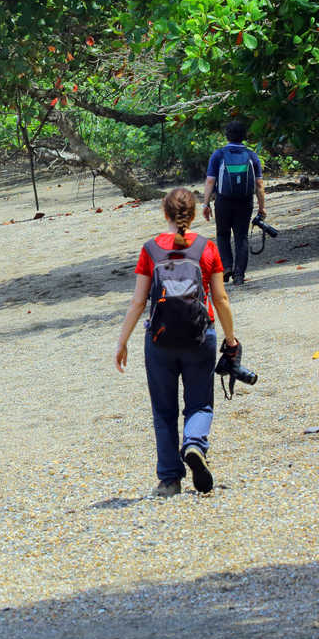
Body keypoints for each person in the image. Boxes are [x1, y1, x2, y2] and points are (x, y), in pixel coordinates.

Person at [115, 187, 238, 497]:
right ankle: (194, 444)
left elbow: (138, 302)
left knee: (164, 410)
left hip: (159, 340)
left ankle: (170, 479)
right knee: (199, 402)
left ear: (164, 213)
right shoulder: (207, 248)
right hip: (201, 336)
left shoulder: (150, 249)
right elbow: (221, 298)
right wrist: (231, 338)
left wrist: (123, 340)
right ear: (193, 214)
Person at [202, 119, 267, 287]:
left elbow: (210, 181)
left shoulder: (219, 154)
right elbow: (259, 184)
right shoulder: (251, 155)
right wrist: (262, 207)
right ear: (244, 136)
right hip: (245, 201)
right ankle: (239, 275)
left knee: (222, 234)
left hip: (223, 200)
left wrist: (206, 204)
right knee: (241, 237)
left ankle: (226, 267)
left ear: (227, 136)